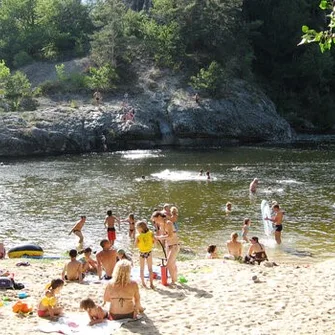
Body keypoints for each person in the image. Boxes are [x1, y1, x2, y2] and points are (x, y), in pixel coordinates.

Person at [152, 211, 180, 286]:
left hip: (174, 245)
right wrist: (154, 240)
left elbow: (170, 236)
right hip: (168, 245)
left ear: (159, 217)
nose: (155, 222)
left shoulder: (168, 223)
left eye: (155, 219)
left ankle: (172, 280)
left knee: (168, 264)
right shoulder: (161, 225)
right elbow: (163, 237)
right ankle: (174, 280)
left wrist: (159, 237)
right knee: (172, 264)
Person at [135, 221, 155, 289]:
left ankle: (143, 283)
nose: (136, 229)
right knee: (150, 268)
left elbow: (135, 246)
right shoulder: (151, 233)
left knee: (142, 269)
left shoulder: (138, 236)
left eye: (137, 228)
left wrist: (138, 242)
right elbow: (154, 241)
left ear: (141, 228)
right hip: (149, 252)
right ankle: (151, 284)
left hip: (142, 253)